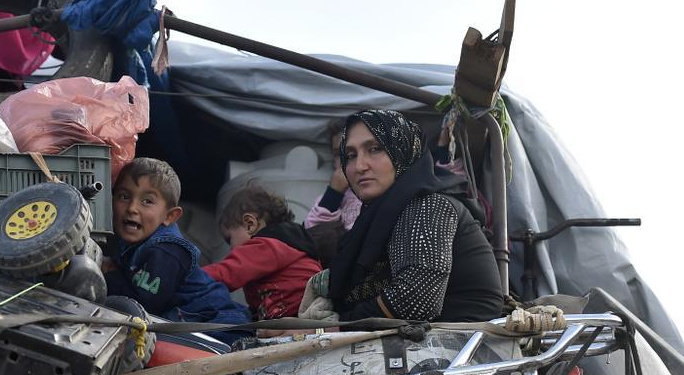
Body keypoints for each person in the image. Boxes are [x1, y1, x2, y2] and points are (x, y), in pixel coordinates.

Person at [318, 109, 504, 323]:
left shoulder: (428, 205)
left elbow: (416, 299)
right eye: (350, 155)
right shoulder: (374, 220)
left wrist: (335, 328)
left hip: (465, 346)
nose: (359, 166)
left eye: (375, 149)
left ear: (403, 151)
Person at [104, 158, 252, 344]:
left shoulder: (167, 250)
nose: (132, 208)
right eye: (124, 197)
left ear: (170, 216)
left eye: (147, 201)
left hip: (218, 326)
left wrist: (110, 276)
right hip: (188, 322)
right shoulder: (127, 242)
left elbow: (145, 306)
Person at [203, 185, 323, 320]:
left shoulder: (267, 245)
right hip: (301, 313)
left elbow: (228, 272)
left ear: (250, 224)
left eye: (229, 239)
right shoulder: (291, 245)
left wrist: (191, 277)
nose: (231, 249)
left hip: (293, 316)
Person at [304, 119, 362, 265]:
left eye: (351, 153)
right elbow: (312, 231)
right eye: (337, 154)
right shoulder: (336, 194)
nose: (343, 160)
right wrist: (334, 192)